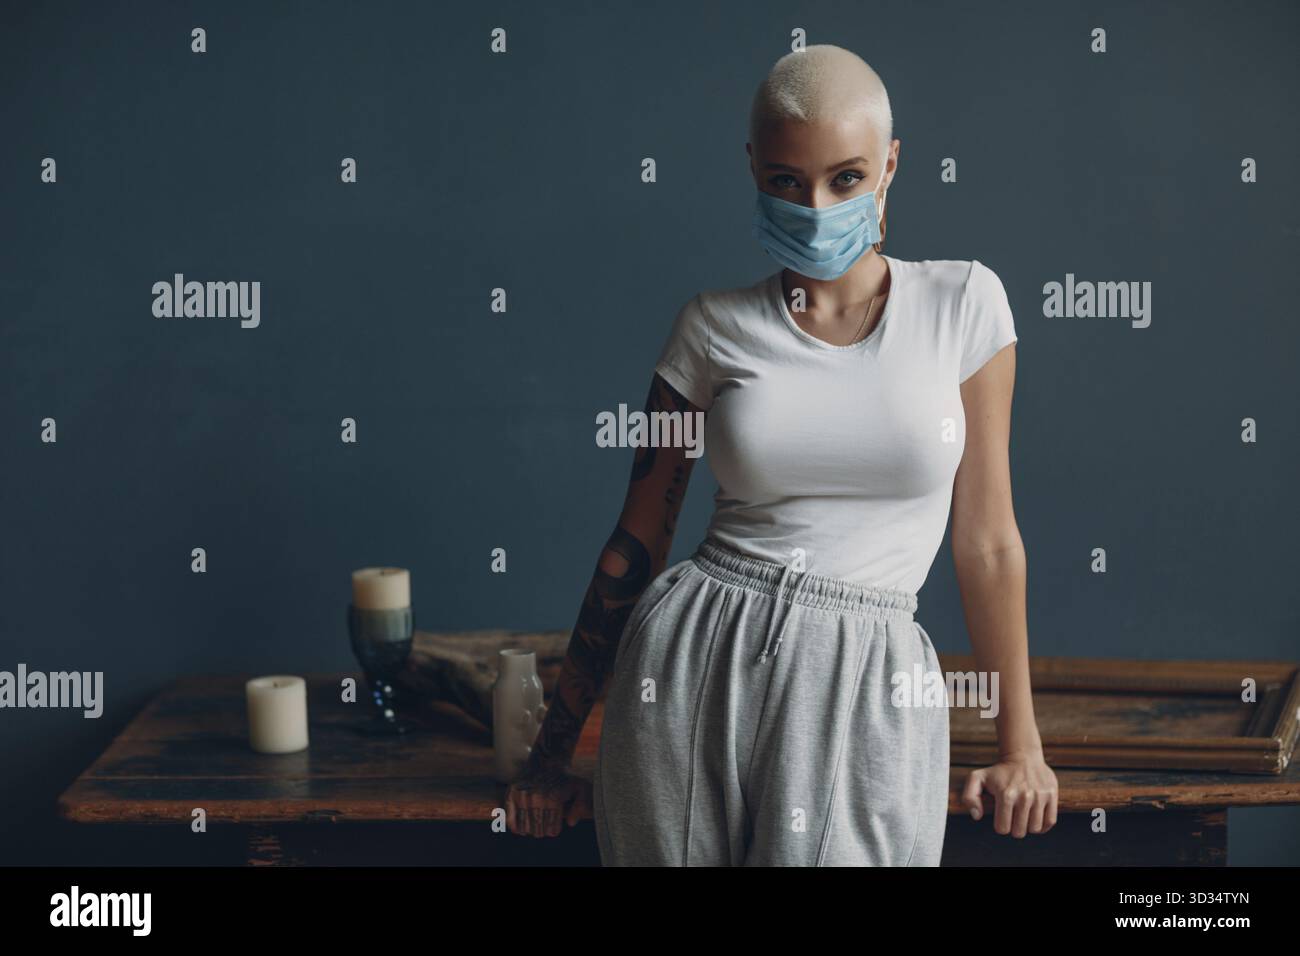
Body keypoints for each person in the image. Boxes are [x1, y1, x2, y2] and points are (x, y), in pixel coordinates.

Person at [505, 44, 1058, 865]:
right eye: (786, 182)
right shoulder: (709, 326)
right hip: (692, 657)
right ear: (754, 170)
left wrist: (1022, 747)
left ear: (891, 167)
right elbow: (636, 543)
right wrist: (551, 754)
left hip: (869, 673)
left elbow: (988, 542)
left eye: (845, 177)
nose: (816, 205)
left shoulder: (966, 306)